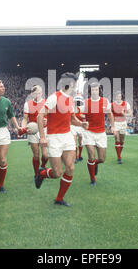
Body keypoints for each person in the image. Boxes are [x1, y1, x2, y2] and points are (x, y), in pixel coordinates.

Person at [35, 73, 88, 207]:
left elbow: (72, 119)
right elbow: (40, 117)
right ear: (71, 84)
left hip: (67, 137)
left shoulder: (70, 100)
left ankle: (59, 199)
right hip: (54, 138)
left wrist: (81, 124)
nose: (76, 86)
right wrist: (42, 137)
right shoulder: (54, 97)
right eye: (75, 84)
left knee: (70, 167)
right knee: (57, 173)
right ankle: (41, 174)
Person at [82, 82, 115, 185]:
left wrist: (113, 126)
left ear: (99, 90)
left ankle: (95, 164)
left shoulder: (105, 101)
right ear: (90, 91)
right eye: (92, 90)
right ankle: (92, 179)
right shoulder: (85, 102)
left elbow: (110, 114)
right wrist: (81, 121)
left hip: (101, 133)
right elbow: (78, 113)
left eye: (96, 89)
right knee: (91, 156)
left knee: (101, 159)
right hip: (88, 132)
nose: (95, 91)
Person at [21, 85, 48, 178]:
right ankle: (36, 174)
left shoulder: (46, 103)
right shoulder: (27, 104)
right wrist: (24, 128)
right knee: (36, 155)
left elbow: (53, 117)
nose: (38, 95)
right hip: (33, 131)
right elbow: (25, 119)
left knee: (45, 155)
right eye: (36, 93)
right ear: (32, 94)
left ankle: (43, 167)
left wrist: (48, 121)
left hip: (44, 130)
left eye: (40, 93)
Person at [111, 91, 132, 164]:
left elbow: (130, 113)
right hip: (116, 123)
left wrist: (124, 114)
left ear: (121, 97)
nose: (118, 97)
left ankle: (119, 154)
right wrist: (112, 125)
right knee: (117, 139)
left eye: (120, 96)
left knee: (122, 141)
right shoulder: (112, 104)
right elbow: (110, 115)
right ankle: (119, 157)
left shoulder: (126, 104)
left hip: (123, 123)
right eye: (117, 96)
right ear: (115, 97)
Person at [71, 95, 85, 163]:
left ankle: (79, 155)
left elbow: (87, 117)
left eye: (79, 101)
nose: (78, 103)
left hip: (81, 127)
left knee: (80, 143)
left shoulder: (83, 108)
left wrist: (84, 117)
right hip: (73, 126)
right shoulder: (72, 109)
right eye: (77, 101)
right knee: (74, 143)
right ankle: (75, 156)